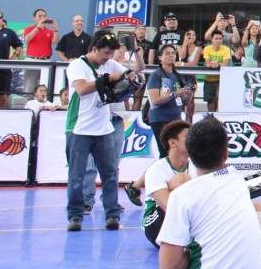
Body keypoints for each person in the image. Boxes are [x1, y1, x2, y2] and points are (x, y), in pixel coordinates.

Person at [157, 117, 261, 269]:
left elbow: (168, 266)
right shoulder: (239, 183)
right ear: (227, 153)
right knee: (259, 209)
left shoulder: (182, 196)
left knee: (169, 262)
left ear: (189, 154)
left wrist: (191, 258)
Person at [65, 32, 132, 231]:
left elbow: (128, 73)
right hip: (79, 128)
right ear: (93, 49)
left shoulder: (109, 63)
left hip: (103, 129)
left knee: (110, 174)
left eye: (111, 53)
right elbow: (82, 89)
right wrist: (107, 80)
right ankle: (75, 216)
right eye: (105, 53)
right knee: (76, 176)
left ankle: (112, 214)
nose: (108, 57)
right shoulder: (77, 65)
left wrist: (129, 74)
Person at [140, 120, 195, 248]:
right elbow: (167, 205)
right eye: (188, 137)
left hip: (184, 216)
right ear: (173, 143)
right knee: (182, 179)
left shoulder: (196, 165)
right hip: (156, 220)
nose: (194, 140)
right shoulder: (156, 169)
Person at [144, 45, 196, 154]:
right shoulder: (156, 75)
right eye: (167, 53)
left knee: (175, 151)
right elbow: (155, 100)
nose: (171, 55)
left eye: (173, 53)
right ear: (160, 57)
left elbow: (184, 102)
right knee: (165, 152)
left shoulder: (177, 76)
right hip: (160, 119)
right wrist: (175, 94)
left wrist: (189, 93)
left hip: (175, 118)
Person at [22, 8, 57, 99]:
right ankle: (28, 109)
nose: (42, 18)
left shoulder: (49, 31)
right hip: (32, 60)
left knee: (44, 88)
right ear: (34, 18)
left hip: (46, 61)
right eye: (40, 16)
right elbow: (27, 39)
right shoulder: (29, 29)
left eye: (44, 16)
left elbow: (55, 42)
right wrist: (37, 28)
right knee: (29, 88)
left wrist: (55, 29)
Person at [200, 30, 232, 112]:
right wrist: (214, 64)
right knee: (210, 100)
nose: (218, 40)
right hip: (209, 79)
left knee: (219, 99)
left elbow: (225, 64)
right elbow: (207, 63)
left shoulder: (226, 49)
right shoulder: (207, 48)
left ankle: (217, 117)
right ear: (212, 39)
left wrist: (217, 64)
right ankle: (211, 116)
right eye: (216, 38)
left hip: (221, 80)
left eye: (220, 38)